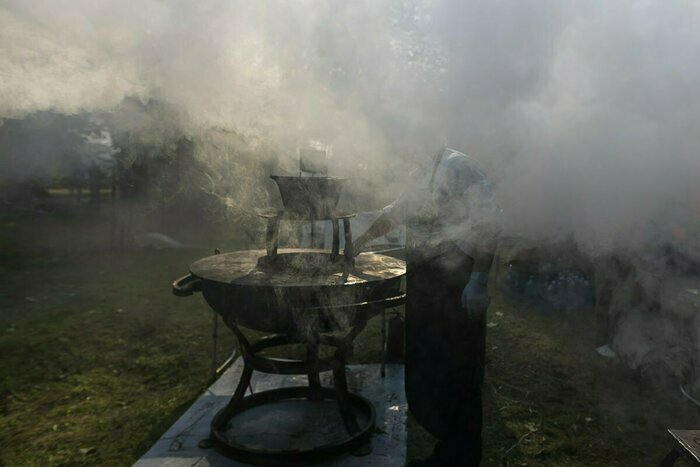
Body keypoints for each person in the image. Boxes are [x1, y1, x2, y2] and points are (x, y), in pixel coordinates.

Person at [352, 147, 500, 467]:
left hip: (456, 286)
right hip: (425, 283)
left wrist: (478, 280)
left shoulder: (462, 168)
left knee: (458, 372)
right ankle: (446, 449)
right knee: (428, 366)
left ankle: (461, 457)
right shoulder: (420, 174)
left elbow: (489, 224)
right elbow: (395, 213)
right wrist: (360, 241)